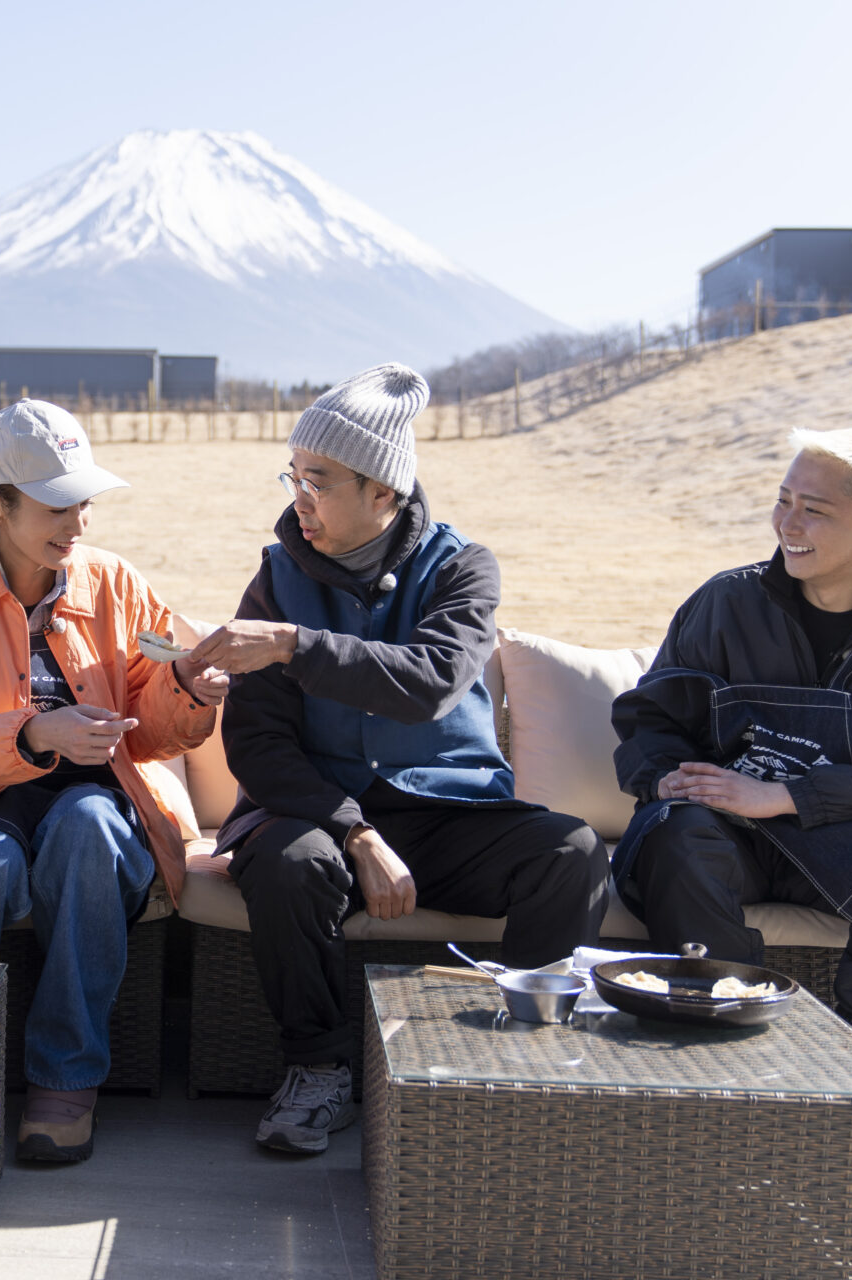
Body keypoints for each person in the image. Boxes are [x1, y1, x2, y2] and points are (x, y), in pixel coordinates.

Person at [187, 364, 609, 1155]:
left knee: (571, 852)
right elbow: (257, 742)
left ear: (384, 491)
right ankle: (316, 1067)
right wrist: (354, 831)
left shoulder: (461, 568)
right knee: (292, 863)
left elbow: (431, 683)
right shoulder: (276, 579)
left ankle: (514, 1059)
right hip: (313, 812)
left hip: (447, 812)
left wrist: (291, 646)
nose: (297, 495)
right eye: (293, 473)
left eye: (318, 478)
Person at [0, 399, 225, 1163]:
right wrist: (35, 732)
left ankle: (64, 1082)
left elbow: (157, 712)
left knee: (86, 828)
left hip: (102, 807)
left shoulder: (118, 584)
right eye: (56, 506)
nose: (78, 524)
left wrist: (193, 691)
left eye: (86, 503)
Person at [610, 427, 852, 1052]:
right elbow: (650, 719)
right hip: (728, 837)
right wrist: (662, 776)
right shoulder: (723, 604)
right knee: (676, 832)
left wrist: (785, 794)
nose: (787, 522)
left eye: (813, 510)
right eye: (783, 499)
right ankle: (722, 1035)